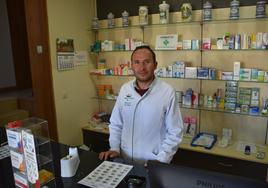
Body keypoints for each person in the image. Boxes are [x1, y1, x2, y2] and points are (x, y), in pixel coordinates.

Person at [99, 45, 183, 165]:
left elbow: (175, 132)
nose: (142, 68)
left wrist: (161, 160)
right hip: (124, 158)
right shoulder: (125, 89)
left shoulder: (167, 92)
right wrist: (114, 148)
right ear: (131, 65)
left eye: (147, 62)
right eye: (137, 62)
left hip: (154, 161)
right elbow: (116, 124)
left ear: (155, 64)